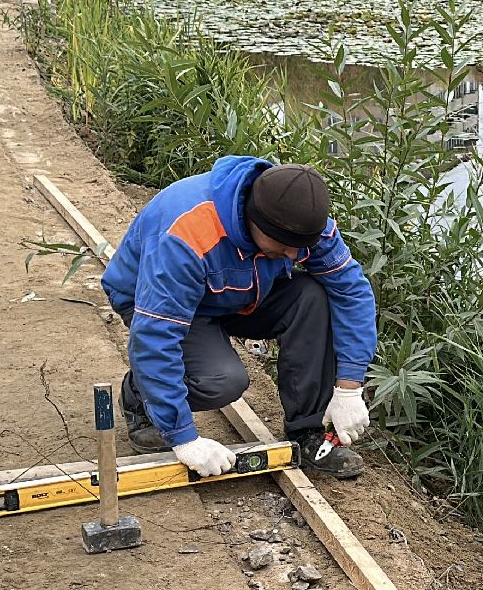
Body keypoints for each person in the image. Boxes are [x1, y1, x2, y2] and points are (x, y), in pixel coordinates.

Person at [101, 157, 377, 480]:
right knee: (224, 381)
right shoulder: (187, 233)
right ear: (256, 223)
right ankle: (140, 395)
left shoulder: (299, 219)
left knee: (312, 298)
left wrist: (348, 388)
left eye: (300, 248)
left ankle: (308, 430)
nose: (294, 255)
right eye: (286, 247)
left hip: (238, 293)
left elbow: (351, 290)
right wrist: (184, 439)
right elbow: (155, 336)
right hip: (155, 302)